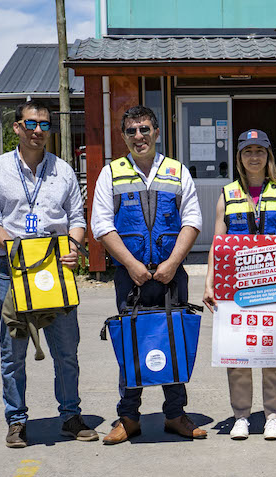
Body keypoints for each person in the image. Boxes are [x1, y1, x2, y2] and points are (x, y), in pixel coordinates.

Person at [0, 100, 97, 448]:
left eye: (45, 125)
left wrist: (74, 247)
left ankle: (70, 416)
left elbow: (76, 217)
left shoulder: (63, 170)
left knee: (67, 350)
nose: (38, 131)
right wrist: (14, 248)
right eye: (31, 124)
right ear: (16, 127)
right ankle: (16, 421)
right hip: (12, 272)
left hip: (55, 271)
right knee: (12, 353)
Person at [92, 105, 206, 445]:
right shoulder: (111, 173)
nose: (138, 137)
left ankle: (175, 415)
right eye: (131, 131)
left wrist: (172, 263)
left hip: (172, 275)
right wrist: (130, 264)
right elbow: (101, 224)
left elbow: (193, 219)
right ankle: (128, 417)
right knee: (131, 342)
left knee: (174, 340)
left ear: (156, 132)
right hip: (131, 277)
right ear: (124, 136)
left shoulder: (177, 171)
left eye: (144, 129)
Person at [202, 129, 276, 440]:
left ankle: (272, 416)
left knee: (274, 349)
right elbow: (217, 242)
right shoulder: (227, 194)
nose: (254, 157)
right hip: (235, 286)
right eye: (248, 151)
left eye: (260, 151)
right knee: (237, 351)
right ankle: (241, 415)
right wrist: (209, 283)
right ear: (239, 157)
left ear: (269, 156)